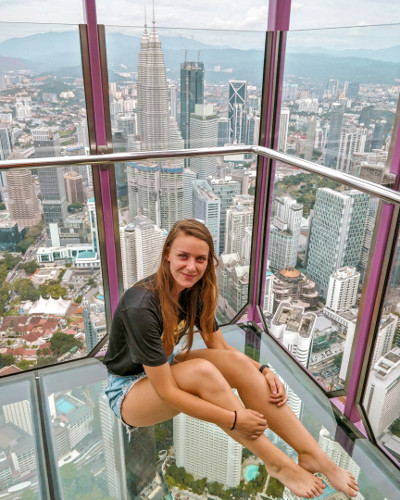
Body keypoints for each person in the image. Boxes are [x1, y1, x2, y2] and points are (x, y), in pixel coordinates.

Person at [104, 219, 359, 499]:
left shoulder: (193, 292)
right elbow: (167, 392)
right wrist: (234, 418)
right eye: (183, 256)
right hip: (128, 391)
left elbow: (220, 348)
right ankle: (277, 464)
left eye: (200, 259)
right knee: (203, 370)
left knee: (233, 362)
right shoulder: (141, 306)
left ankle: (313, 455)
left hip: (166, 363)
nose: (191, 267)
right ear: (167, 254)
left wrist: (261, 369)